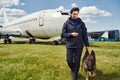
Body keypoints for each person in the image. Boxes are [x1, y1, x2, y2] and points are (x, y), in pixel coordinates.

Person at [61, 7, 89, 80]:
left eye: (77, 14)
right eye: (74, 14)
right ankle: (73, 70)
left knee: (77, 60)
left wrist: (87, 45)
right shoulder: (66, 23)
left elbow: (84, 35)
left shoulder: (81, 23)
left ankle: (75, 75)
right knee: (69, 60)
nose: (75, 15)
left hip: (79, 45)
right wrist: (71, 34)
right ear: (71, 13)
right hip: (70, 44)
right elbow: (63, 34)